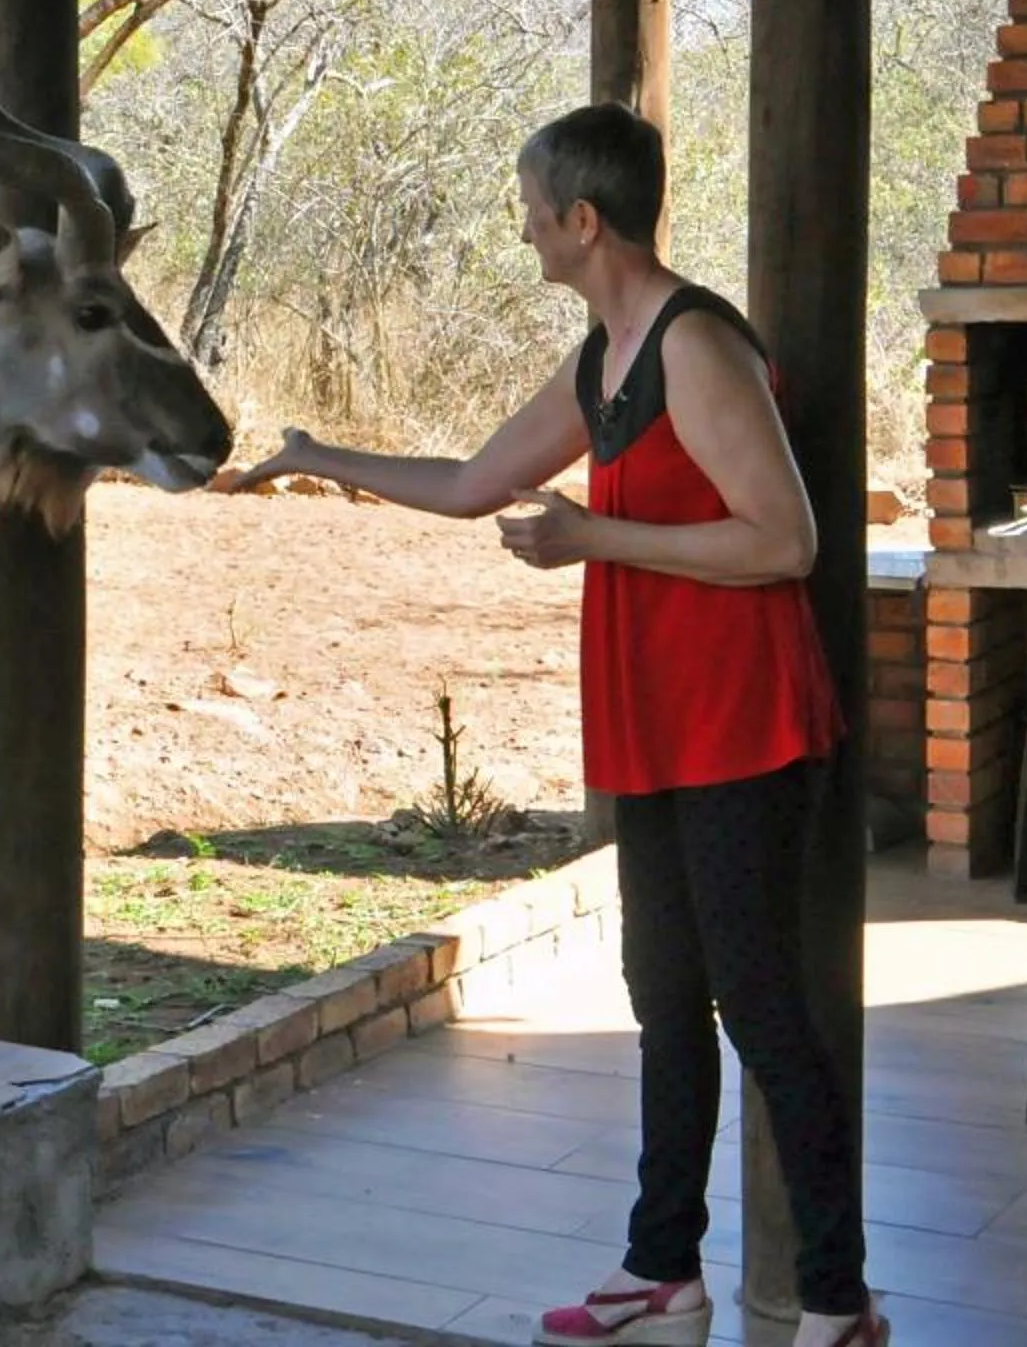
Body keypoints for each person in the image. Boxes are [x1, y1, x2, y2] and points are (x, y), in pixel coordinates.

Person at [229, 102, 884, 1347]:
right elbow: (476, 481)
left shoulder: (697, 345)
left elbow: (782, 540)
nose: (521, 223)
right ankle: (661, 1269)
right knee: (664, 991)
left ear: (585, 219)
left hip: (742, 723)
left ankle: (843, 1300)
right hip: (657, 724)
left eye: (532, 204)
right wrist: (320, 454)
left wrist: (591, 535)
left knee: (760, 1008)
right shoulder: (604, 356)